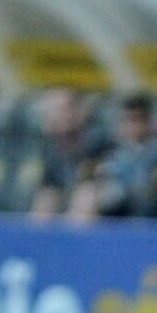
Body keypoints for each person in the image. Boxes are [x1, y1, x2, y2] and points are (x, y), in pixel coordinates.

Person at [87, 91, 157, 220]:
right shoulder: (109, 149)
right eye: (127, 119)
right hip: (114, 221)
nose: (131, 127)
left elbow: (155, 194)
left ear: (151, 121)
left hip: (156, 222)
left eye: (137, 119)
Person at [29, 88, 108, 221]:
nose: (58, 115)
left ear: (81, 111)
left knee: (85, 195)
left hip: (112, 204)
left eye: (64, 109)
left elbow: (91, 179)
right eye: (52, 110)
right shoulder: (52, 151)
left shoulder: (98, 141)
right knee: (45, 201)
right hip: (71, 199)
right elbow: (49, 189)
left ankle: (75, 241)